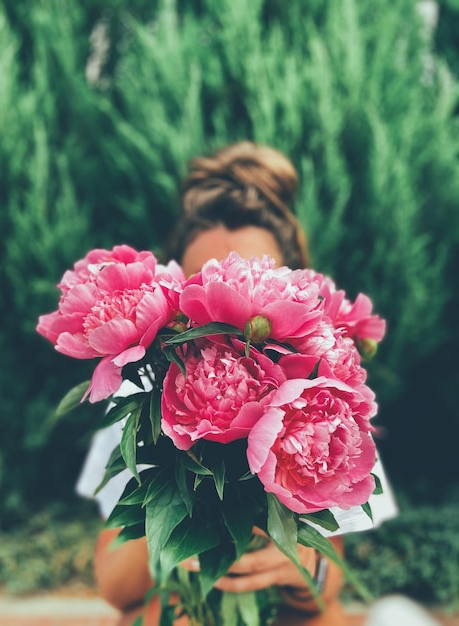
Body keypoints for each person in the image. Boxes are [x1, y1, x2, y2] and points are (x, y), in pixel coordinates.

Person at [76, 141, 398, 626]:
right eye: (206, 285)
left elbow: (326, 587)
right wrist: (171, 521)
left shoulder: (325, 401)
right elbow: (115, 589)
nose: (230, 312)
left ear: (294, 291)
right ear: (172, 301)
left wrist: (297, 563)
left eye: (249, 278)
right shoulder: (136, 394)